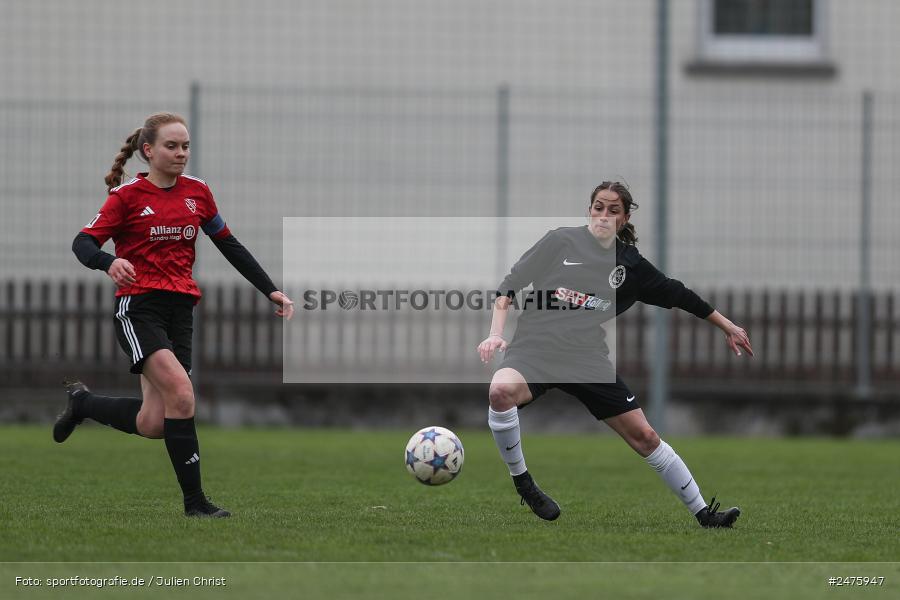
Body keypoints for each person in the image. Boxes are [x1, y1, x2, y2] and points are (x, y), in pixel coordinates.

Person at [54, 112, 294, 518]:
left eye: (185, 146)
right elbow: (82, 242)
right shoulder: (126, 197)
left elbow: (229, 244)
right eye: (172, 146)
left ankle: (83, 403)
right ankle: (196, 505)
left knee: (154, 422)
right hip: (138, 307)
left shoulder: (198, 192)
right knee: (182, 395)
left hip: (180, 309)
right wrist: (108, 262)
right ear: (148, 151)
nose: (181, 153)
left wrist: (269, 288)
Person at [477, 181, 753, 527]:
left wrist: (727, 326)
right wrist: (495, 334)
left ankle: (705, 515)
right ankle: (524, 484)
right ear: (589, 210)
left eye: (613, 210)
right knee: (500, 391)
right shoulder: (560, 241)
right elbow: (509, 286)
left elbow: (678, 294)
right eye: (598, 207)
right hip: (537, 349)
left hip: (586, 359)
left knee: (646, 437)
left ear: (624, 219)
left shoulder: (630, 266)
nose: (603, 216)